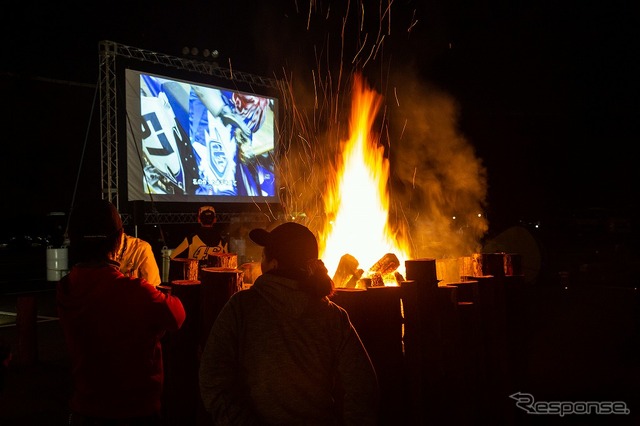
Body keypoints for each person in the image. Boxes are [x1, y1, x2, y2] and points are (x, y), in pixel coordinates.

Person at [199, 222, 380, 425]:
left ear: (273, 264)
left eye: (263, 255)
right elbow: (363, 386)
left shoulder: (241, 307)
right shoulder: (332, 316)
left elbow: (212, 377)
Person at [57, 198, 186, 425]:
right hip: (135, 411)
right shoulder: (136, 291)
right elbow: (177, 316)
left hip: (84, 409)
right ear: (118, 241)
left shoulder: (65, 288)